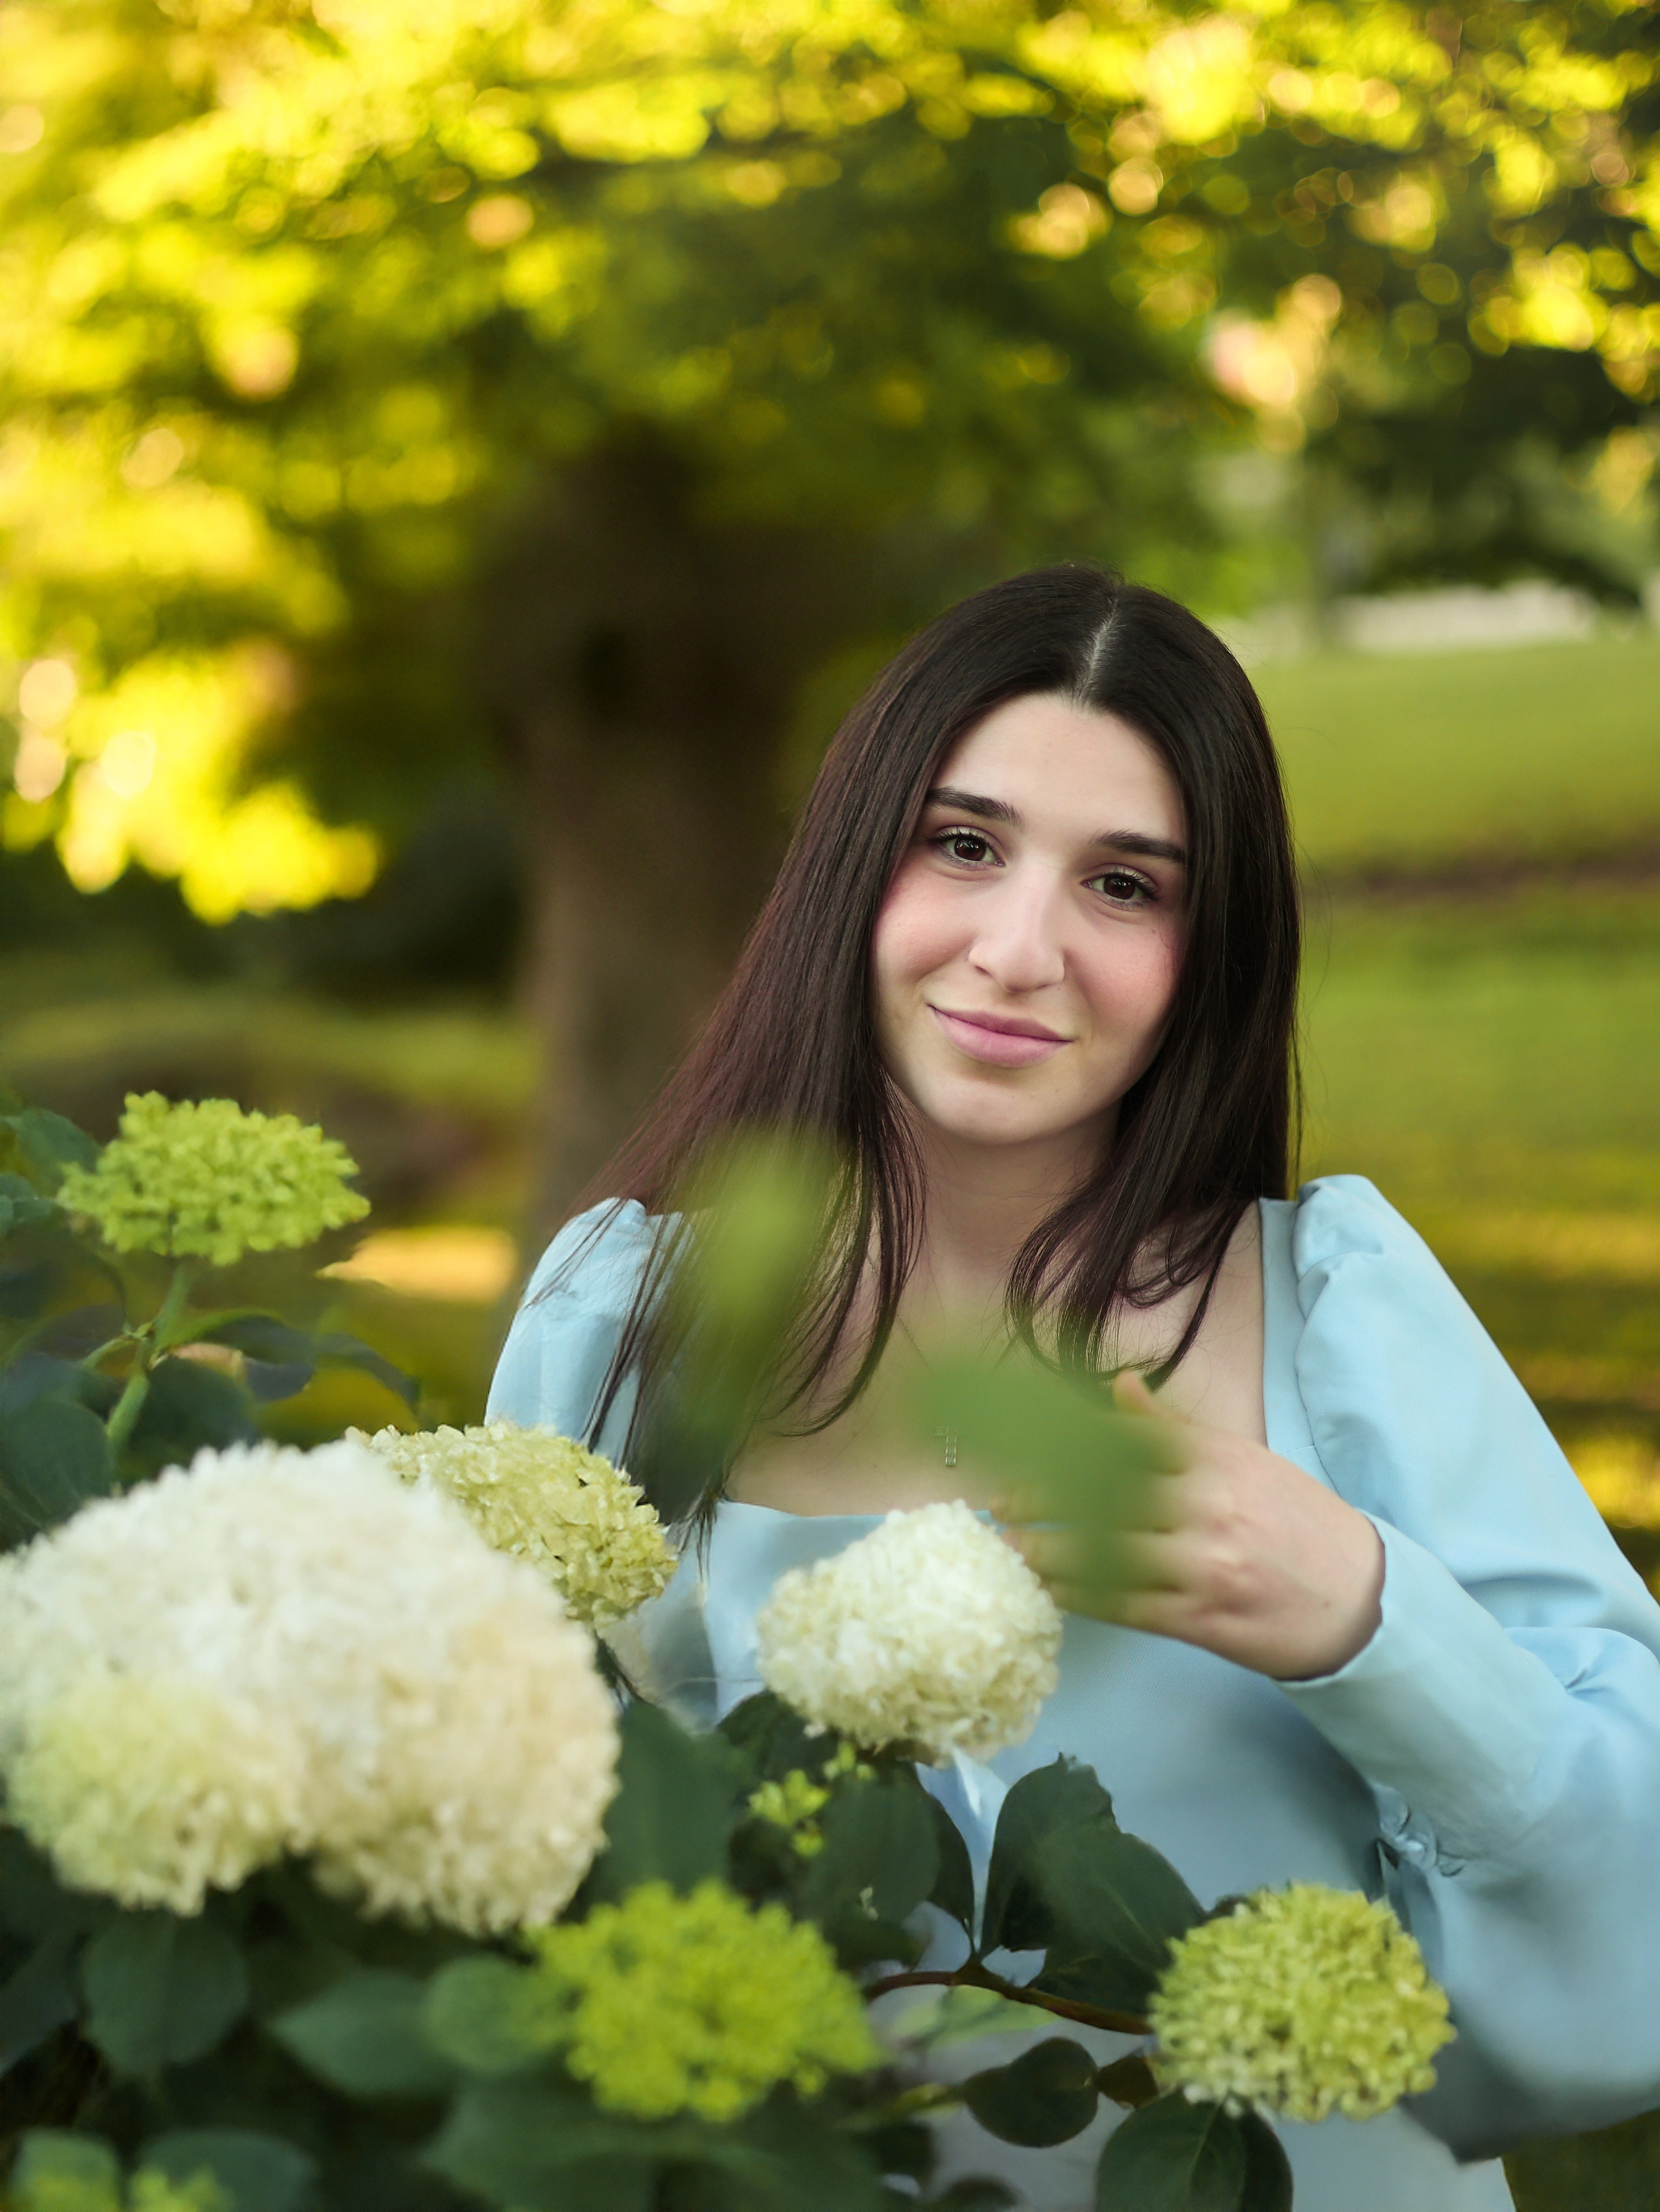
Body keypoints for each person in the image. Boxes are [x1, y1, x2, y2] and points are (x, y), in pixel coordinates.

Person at [488, 565, 1660, 2211]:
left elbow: (1636, 1902)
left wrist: (1363, 1614)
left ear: (1209, 952)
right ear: (852, 865)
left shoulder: (1332, 1309)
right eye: (960, 844)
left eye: (1123, 885)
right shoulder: (623, 1312)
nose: (1018, 948)